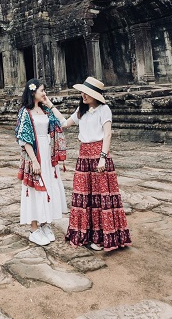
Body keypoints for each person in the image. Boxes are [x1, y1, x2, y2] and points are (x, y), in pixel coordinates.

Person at [51, 76, 131, 251]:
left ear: (96, 95)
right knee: (84, 196)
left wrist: (103, 157)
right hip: (84, 156)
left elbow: (107, 134)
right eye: (82, 92)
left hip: (99, 156)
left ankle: (102, 237)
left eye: (87, 93)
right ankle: (85, 234)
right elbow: (64, 123)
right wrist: (50, 105)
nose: (83, 95)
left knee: (101, 197)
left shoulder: (104, 110)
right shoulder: (82, 111)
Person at [15, 78, 68, 246]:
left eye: (45, 91)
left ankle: (45, 223)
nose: (44, 93)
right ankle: (33, 228)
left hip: (48, 154)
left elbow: (62, 122)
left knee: (49, 187)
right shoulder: (25, 112)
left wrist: (49, 103)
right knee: (34, 189)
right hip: (35, 154)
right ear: (33, 92)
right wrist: (34, 161)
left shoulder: (46, 110)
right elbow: (23, 139)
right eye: (42, 91)